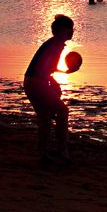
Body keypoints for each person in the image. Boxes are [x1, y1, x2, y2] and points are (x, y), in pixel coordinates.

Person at [24, 15, 79, 163]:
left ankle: (43, 153)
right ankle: (62, 150)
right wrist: (52, 81)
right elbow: (43, 68)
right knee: (62, 111)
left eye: (72, 29)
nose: (72, 32)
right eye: (70, 29)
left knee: (45, 118)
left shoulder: (55, 43)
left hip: (31, 81)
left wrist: (64, 73)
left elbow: (48, 67)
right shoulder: (56, 44)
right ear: (61, 30)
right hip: (36, 82)